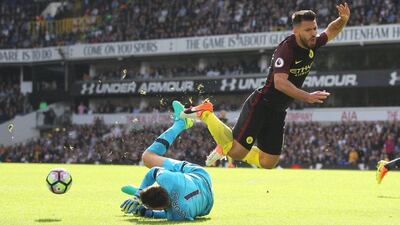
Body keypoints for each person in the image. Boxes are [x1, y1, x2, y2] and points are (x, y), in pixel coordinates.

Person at [181, 3, 351, 168]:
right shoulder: (286, 50)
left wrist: (342, 19)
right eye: (308, 30)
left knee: (268, 162)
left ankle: (228, 144)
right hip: (262, 104)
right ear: (296, 31)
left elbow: (331, 30)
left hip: (278, 110)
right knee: (236, 153)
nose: (314, 33)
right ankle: (205, 113)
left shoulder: (312, 43)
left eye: (314, 28)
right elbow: (280, 83)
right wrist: (307, 96)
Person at [120, 101, 213, 220]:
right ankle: (180, 123)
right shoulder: (167, 180)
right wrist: (138, 198)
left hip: (207, 201)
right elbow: (153, 172)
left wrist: (144, 209)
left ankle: (181, 123)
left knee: (148, 158)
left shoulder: (178, 214)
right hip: (198, 175)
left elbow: (167, 213)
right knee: (148, 157)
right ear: (161, 186)